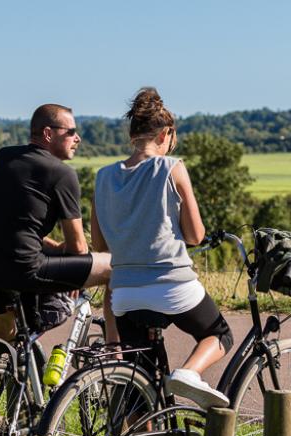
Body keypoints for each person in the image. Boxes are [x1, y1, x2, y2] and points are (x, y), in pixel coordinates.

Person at [91, 88, 233, 409]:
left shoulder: (103, 178)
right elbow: (196, 235)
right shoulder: (171, 167)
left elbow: (100, 246)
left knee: (140, 388)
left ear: (133, 135)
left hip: (124, 295)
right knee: (219, 334)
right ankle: (189, 373)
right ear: (166, 134)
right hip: (172, 287)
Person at [0, 103, 114, 340]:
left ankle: (3, 370)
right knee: (113, 267)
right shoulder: (63, 173)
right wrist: (74, 270)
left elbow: (15, 225)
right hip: (22, 268)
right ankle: (115, 349)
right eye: (71, 132)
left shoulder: (3, 157)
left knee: (7, 335)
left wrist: (56, 249)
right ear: (48, 133)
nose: (78, 139)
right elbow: (78, 248)